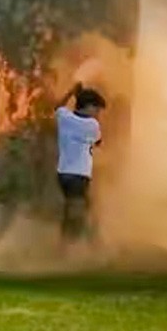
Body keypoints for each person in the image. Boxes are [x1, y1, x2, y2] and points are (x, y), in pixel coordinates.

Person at [54, 82, 106, 241]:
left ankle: (87, 243)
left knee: (78, 208)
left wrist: (71, 92)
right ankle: (68, 247)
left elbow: (58, 106)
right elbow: (98, 142)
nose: (98, 114)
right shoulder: (93, 125)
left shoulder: (64, 117)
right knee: (77, 211)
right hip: (79, 175)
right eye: (96, 109)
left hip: (63, 174)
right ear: (89, 106)